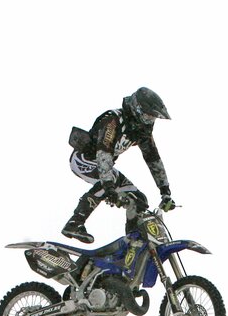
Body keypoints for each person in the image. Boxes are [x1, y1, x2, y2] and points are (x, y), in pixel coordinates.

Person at [62, 87, 177, 244]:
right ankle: (74, 224)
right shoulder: (113, 120)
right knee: (109, 182)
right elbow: (104, 152)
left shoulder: (140, 132)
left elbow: (153, 159)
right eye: (148, 116)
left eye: (153, 118)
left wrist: (165, 191)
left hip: (105, 165)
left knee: (138, 199)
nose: (150, 121)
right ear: (137, 109)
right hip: (84, 159)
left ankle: (133, 241)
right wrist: (109, 187)